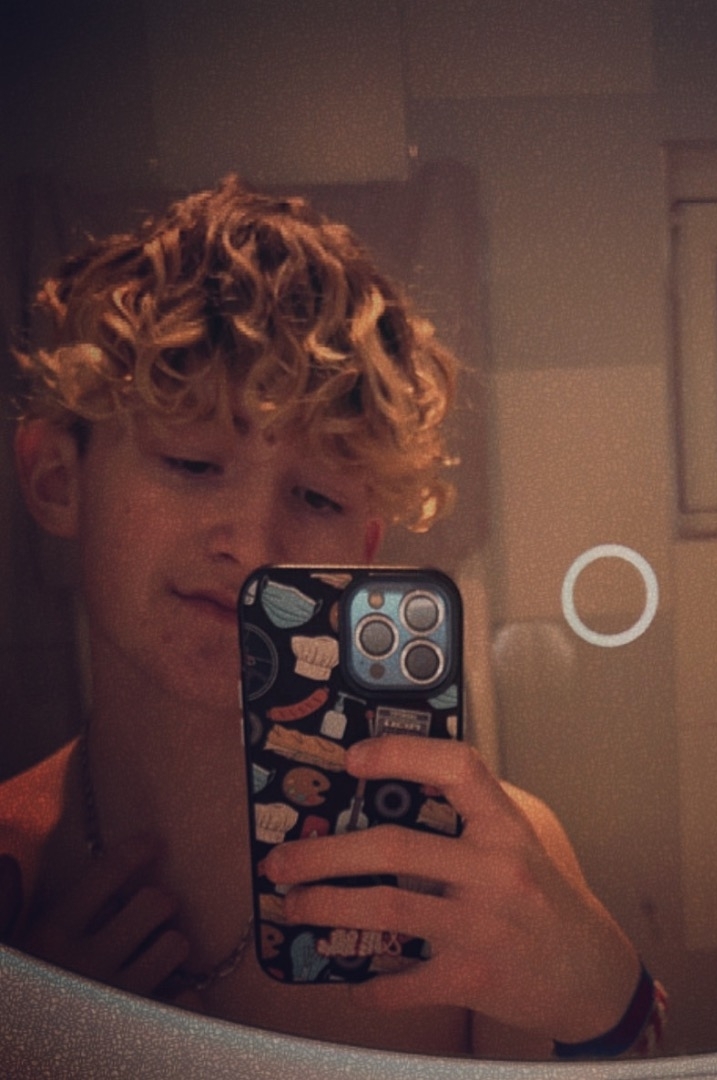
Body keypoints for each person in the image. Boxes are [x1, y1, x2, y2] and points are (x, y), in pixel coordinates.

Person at [0, 176, 666, 1060]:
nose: (255, 544)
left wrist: (610, 1013)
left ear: (363, 551)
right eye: (193, 463)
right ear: (57, 479)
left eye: (316, 497)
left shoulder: (474, 878)